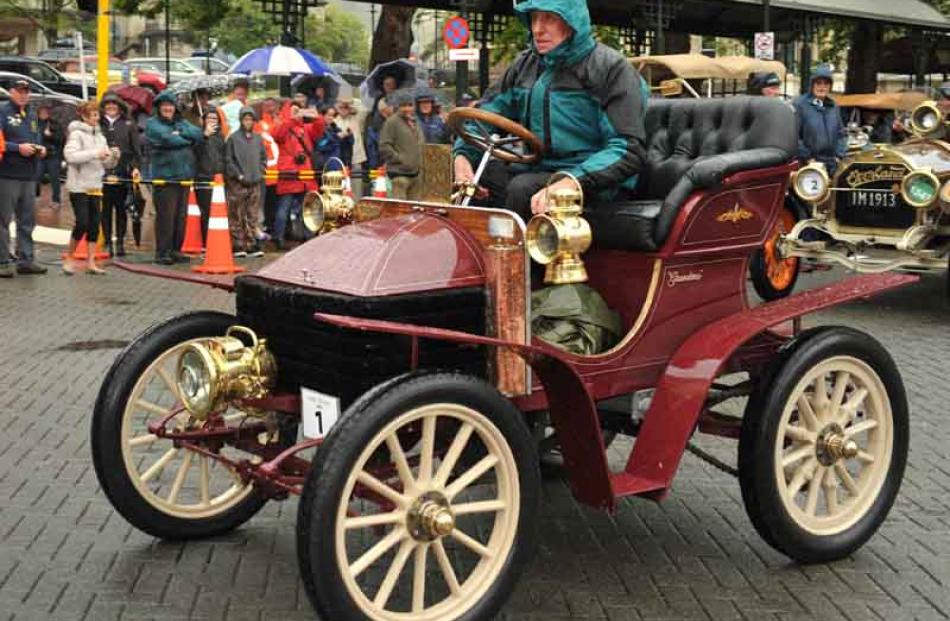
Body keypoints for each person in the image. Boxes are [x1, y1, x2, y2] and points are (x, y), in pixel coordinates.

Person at [452, 0, 647, 222]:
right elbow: (486, 115)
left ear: (572, 22)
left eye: (549, 18)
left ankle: (515, 256)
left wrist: (571, 180)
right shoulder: (524, 66)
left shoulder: (611, 68)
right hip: (539, 170)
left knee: (521, 189)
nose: (537, 29)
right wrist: (463, 158)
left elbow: (628, 149)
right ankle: (478, 251)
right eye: (534, 18)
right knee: (481, 177)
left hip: (599, 180)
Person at [145, 90, 203, 265]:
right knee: (166, 217)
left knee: (180, 217)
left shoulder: (181, 122)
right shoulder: (152, 124)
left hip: (184, 177)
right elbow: (165, 139)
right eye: (164, 106)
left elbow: (197, 134)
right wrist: (185, 139)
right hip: (165, 177)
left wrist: (180, 135)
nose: (168, 108)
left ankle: (176, 250)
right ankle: (162, 252)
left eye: (170, 105)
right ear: (159, 108)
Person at [62, 101, 118, 274]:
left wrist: (113, 157)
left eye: (97, 115)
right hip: (79, 186)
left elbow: (107, 163)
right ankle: (70, 257)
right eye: (92, 115)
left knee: (94, 225)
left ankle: (91, 262)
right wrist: (95, 153)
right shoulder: (76, 134)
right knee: (82, 222)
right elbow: (70, 156)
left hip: (96, 185)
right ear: (84, 116)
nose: (96, 118)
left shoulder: (100, 137)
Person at [0, 78, 48, 277]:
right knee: (3, 220)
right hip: (7, 173)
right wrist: (17, 148)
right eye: (20, 91)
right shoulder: (3, 111)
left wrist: (39, 147)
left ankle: (26, 259)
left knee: (27, 220)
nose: (23, 95)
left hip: (29, 174)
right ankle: (2, 261)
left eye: (26, 92)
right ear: (11, 91)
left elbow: (36, 136)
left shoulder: (31, 113)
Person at [271, 101, 325, 249]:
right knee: (284, 209)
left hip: (305, 176)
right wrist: (293, 118)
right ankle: (279, 238)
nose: (297, 113)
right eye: (293, 110)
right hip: (289, 175)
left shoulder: (305, 129)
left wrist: (316, 116)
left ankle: (308, 237)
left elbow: (319, 130)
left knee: (307, 208)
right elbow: (277, 134)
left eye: (298, 110)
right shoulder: (283, 127)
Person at [99, 92, 142, 257]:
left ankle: (121, 242)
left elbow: (136, 149)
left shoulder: (129, 124)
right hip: (102, 172)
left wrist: (136, 167)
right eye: (108, 104)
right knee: (106, 209)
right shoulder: (98, 123)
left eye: (114, 104)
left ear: (119, 107)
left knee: (121, 208)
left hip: (123, 171)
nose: (111, 107)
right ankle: (108, 242)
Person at [224, 107, 267, 258]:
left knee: (252, 214)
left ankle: (251, 243)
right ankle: (237, 244)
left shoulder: (258, 139)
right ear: (241, 120)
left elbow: (263, 158)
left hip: (255, 182)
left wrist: (260, 173)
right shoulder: (233, 139)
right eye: (245, 119)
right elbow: (229, 161)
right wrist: (238, 176)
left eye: (250, 119)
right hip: (238, 183)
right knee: (236, 213)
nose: (248, 122)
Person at [793, 65, 847, 174]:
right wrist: (808, 159)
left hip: (832, 164)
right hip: (808, 165)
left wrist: (838, 156)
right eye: (818, 83)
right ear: (812, 85)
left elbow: (841, 134)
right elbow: (793, 137)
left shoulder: (833, 106)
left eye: (826, 84)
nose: (822, 87)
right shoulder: (800, 105)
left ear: (830, 86)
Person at [379, 91, 425, 200]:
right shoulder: (391, 122)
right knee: (400, 211)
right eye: (404, 106)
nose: (407, 109)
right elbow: (384, 146)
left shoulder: (415, 122)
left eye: (410, 105)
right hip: (399, 175)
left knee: (415, 211)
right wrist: (400, 159)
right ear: (398, 107)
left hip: (416, 174)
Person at [193, 107, 226, 245]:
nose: (212, 121)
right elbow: (195, 153)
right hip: (203, 178)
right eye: (209, 118)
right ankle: (206, 242)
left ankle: (216, 241)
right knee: (206, 212)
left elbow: (224, 157)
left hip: (218, 178)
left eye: (215, 119)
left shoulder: (220, 138)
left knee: (218, 211)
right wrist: (204, 136)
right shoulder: (198, 136)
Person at [255, 97, 281, 237]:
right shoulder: (260, 124)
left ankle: (275, 228)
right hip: (268, 171)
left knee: (276, 202)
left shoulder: (282, 120)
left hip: (281, 170)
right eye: (267, 105)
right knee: (265, 201)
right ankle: (265, 227)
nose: (270, 108)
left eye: (273, 105)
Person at [365, 75, 398, 170]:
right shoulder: (378, 98)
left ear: (395, 86)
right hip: (376, 134)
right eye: (386, 84)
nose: (389, 87)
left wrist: (387, 113)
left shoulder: (399, 100)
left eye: (391, 84)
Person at [35, 102, 64, 209]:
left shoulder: (55, 123)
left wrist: (50, 135)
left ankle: (56, 200)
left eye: (46, 111)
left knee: (55, 179)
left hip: (52, 155)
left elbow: (61, 139)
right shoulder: (34, 123)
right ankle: (35, 196)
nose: (44, 113)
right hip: (38, 155)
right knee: (36, 177)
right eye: (42, 111)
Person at [314, 106, 352, 171]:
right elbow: (321, 145)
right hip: (326, 167)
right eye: (329, 115)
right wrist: (337, 137)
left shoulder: (337, 129)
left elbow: (349, 145)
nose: (331, 118)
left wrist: (349, 135)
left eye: (333, 115)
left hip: (341, 166)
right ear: (322, 115)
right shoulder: (318, 129)